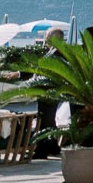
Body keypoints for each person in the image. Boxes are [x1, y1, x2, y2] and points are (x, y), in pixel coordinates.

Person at [33, 28, 65, 159]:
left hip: (48, 92)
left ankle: (42, 150)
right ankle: (53, 146)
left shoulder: (57, 54)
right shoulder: (54, 52)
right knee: (49, 120)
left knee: (45, 121)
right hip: (48, 91)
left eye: (47, 37)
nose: (45, 40)